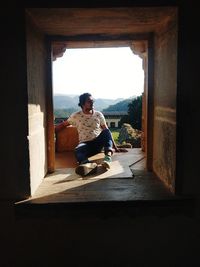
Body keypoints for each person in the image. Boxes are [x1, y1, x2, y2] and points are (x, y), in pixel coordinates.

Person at [55, 92, 128, 177]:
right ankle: (88, 165)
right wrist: (51, 130)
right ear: (82, 103)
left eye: (92, 101)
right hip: (85, 145)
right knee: (77, 150)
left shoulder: (98, 114)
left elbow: (107, 132)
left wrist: (116, 147)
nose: (92, 103)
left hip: (98, 143)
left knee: (106, 131)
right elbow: (64, 124)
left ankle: (107, 159)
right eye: (89, 101)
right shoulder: (76, 116)